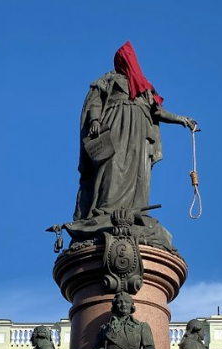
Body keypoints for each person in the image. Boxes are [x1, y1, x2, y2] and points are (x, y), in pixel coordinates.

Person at [74, 41, 199, 222]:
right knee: (112, 164)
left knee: (139, 169)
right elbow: (95, 100)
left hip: (139, 131)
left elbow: (157, 111)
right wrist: (94, 119)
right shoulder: (109, 79)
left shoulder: (143, 85)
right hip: (115, 124)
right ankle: (104, 209)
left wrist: (181, 119)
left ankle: (134, 210)